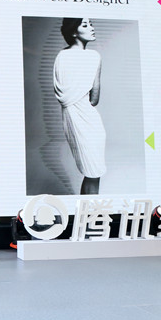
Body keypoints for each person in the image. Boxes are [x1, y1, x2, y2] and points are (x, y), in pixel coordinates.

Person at [53, 18, 106, 194]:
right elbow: (94, 99)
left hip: (73, 119)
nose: (91, 28)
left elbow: (63, 96)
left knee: (91, 173)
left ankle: (86, 210)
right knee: (93, 173)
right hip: (89, 121)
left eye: (91, 24)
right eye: (85, 25)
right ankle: (89, 211)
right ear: (74, 32)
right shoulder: (94, 57)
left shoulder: (61, 57)